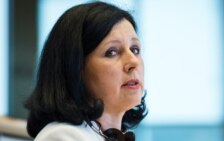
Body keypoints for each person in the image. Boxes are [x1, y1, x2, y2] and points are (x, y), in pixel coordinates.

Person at [25, 1, 147, 141]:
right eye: (112, 52)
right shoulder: (62, 136)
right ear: (75, 67)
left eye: (135, 49)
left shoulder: (111, 135)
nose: (133, 62)